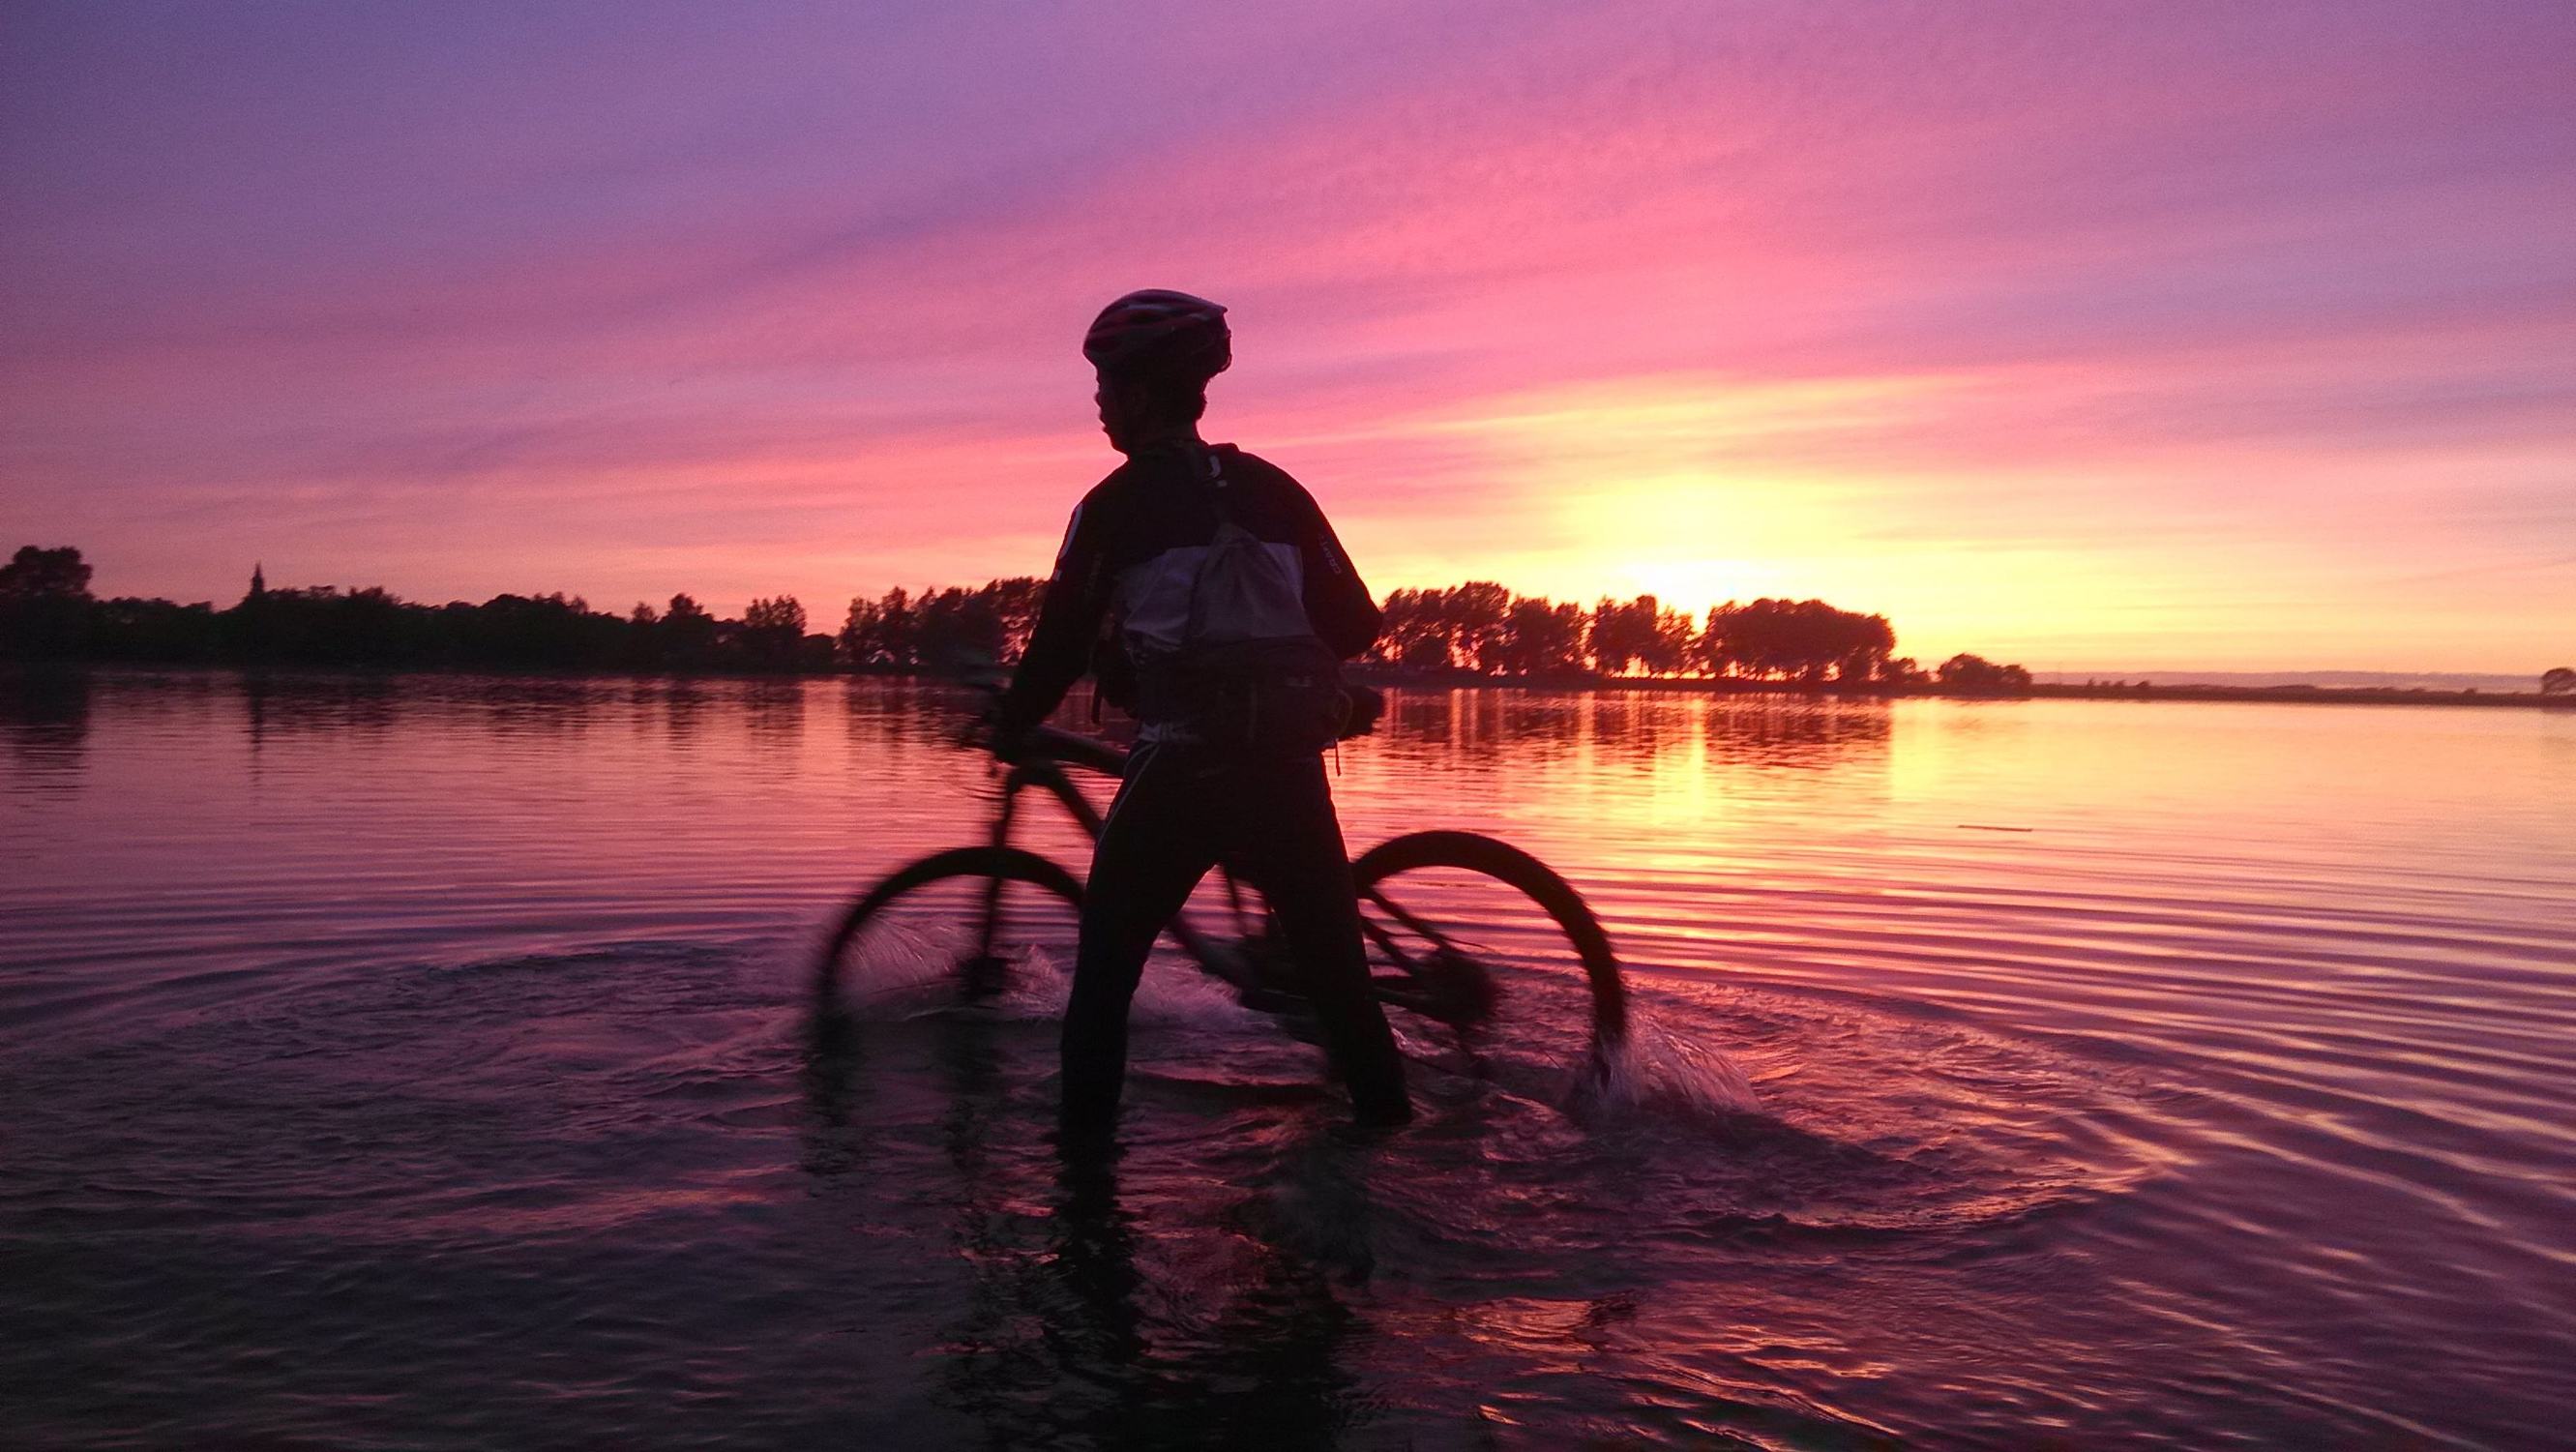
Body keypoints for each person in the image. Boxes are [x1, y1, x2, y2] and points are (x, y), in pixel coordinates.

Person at [991, 288, 1411, 1141]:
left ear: (1140, 395)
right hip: (1289, 771)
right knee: (1342, 989)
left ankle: (1083, 1211)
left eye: (1106, 383)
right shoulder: (1275, 488)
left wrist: (1009, 724)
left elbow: (1061, 642)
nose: (1099, 402)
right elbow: (1356, 623)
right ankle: (1391, 1147)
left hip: (1181, 765)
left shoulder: (1110, 507)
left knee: (1102, 991)